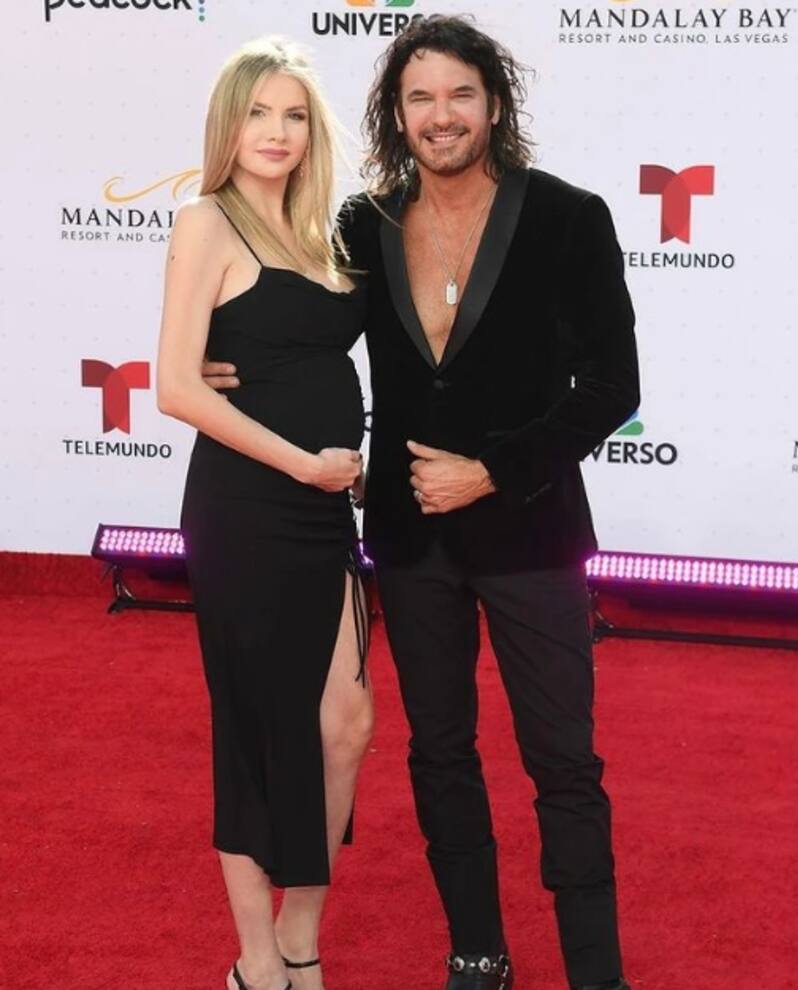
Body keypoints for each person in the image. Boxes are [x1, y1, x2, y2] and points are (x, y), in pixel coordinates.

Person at [204, 15, 639, 990]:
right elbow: (305, 323)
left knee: (563, 762)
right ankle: (476, 951)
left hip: (531, 533)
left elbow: (614, 387)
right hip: (410, 542)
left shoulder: (569, 217)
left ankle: (596, 973)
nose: (441, 115)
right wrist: (220, 358)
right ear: (395, 116)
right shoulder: (364, 224)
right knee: (440, 754)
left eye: (459, 95)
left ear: (495, 105)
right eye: (419, 98)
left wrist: (491, 470)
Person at [157, 37, 374, 990]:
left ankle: (300, 931)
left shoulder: (329, 234)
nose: (276, 132)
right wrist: (303, 463)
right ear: (228, 125)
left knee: (346, 724)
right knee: (253, 727)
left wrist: (345, 470)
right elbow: (175, 385)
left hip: (327, 510)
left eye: (293, 115)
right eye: (257, 113)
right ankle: (258, 961)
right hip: (246, 508)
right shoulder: (206, 220)